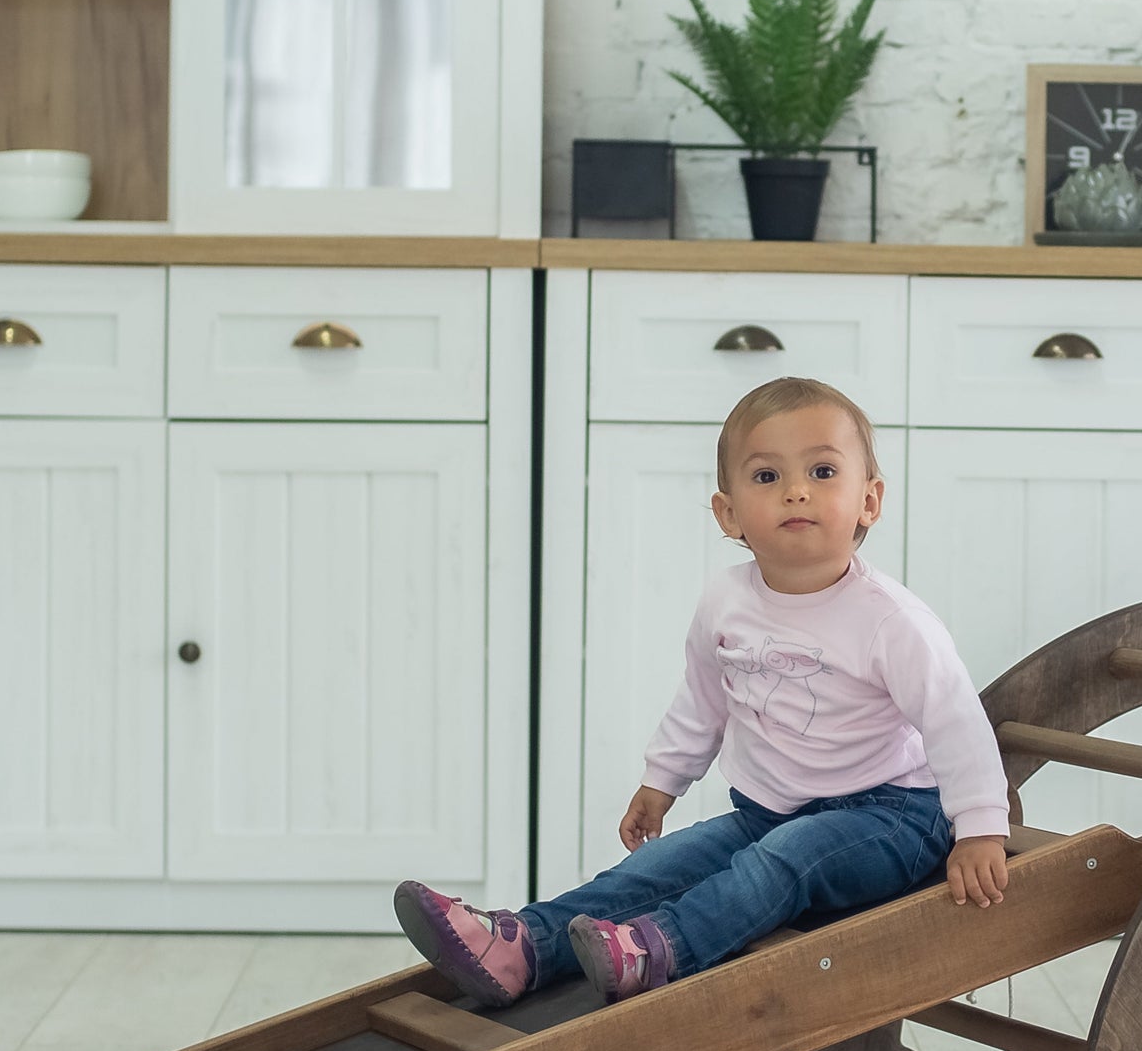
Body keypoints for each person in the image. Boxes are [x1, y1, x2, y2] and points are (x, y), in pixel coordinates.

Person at [395, 376, 1012, 1007]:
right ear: (728, 513)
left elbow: (955, 722)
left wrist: (980, 830)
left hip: (890, 817)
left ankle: (661, 948)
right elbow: (702, 700)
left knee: (781, 860)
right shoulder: (726, 600)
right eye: (767, 476)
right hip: (767, 811)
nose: (797, 490)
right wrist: (661, 781)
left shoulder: (891, 622)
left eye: (823, 471)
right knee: (657, 866)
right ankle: (524, 945)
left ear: (869, 501)